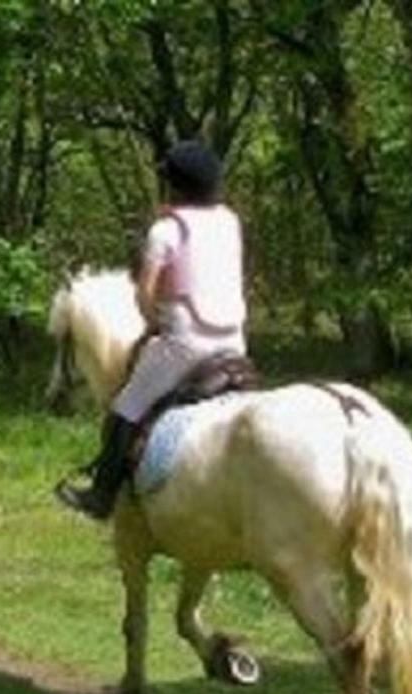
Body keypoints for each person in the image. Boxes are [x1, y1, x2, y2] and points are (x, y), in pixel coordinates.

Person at [56, 140, 247, 520]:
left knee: (124, 410)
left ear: (174, 185)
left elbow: (145, 294)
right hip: (234, 343)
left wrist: (153, 323)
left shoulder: (166, 230)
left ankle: (100, 495)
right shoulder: (230, 221)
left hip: (186, 343)